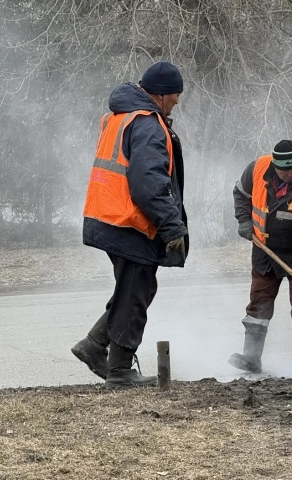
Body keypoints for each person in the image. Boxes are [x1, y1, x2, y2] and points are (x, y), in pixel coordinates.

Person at [71, 61, 188, 388]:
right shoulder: (147, 123)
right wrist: (172, 225)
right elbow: (149, 183)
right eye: (174, 99)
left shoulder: (120, 116)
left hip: (109, 216)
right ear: (161, 95)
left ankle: (96, 347)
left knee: (133, 290)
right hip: (129, 221)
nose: (176, 104)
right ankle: (119, 370)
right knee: (135, 292)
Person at [229, 140, 292, 374]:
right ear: (274, 165)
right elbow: (240, 194)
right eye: (285, 169)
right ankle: (251, 358)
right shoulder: (256, 169)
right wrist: (243, 219)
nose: (291, 173)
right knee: (258, 304)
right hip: (264, 250)